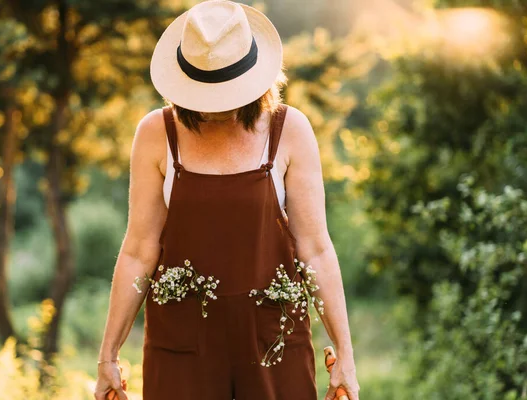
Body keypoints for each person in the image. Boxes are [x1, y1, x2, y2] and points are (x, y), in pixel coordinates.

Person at [94, 1, 360, 399]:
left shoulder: (290, 131)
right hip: (181, 344)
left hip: (274, 341)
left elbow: (316, 249)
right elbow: (138, 249)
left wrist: (346, 355)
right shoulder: (155, 133)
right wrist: (108, 356)